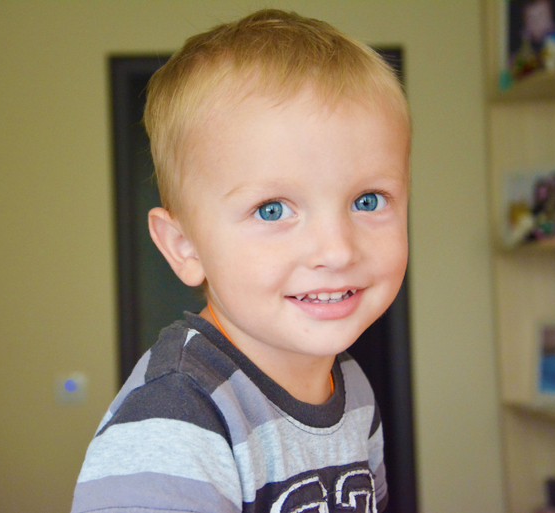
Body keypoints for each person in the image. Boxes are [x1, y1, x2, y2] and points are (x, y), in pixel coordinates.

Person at [71, 8, 410, 513]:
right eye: (272, 210)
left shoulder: (352, 389)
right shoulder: (176, 416)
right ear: (184, 246)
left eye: (368, 200)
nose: (338, 250)